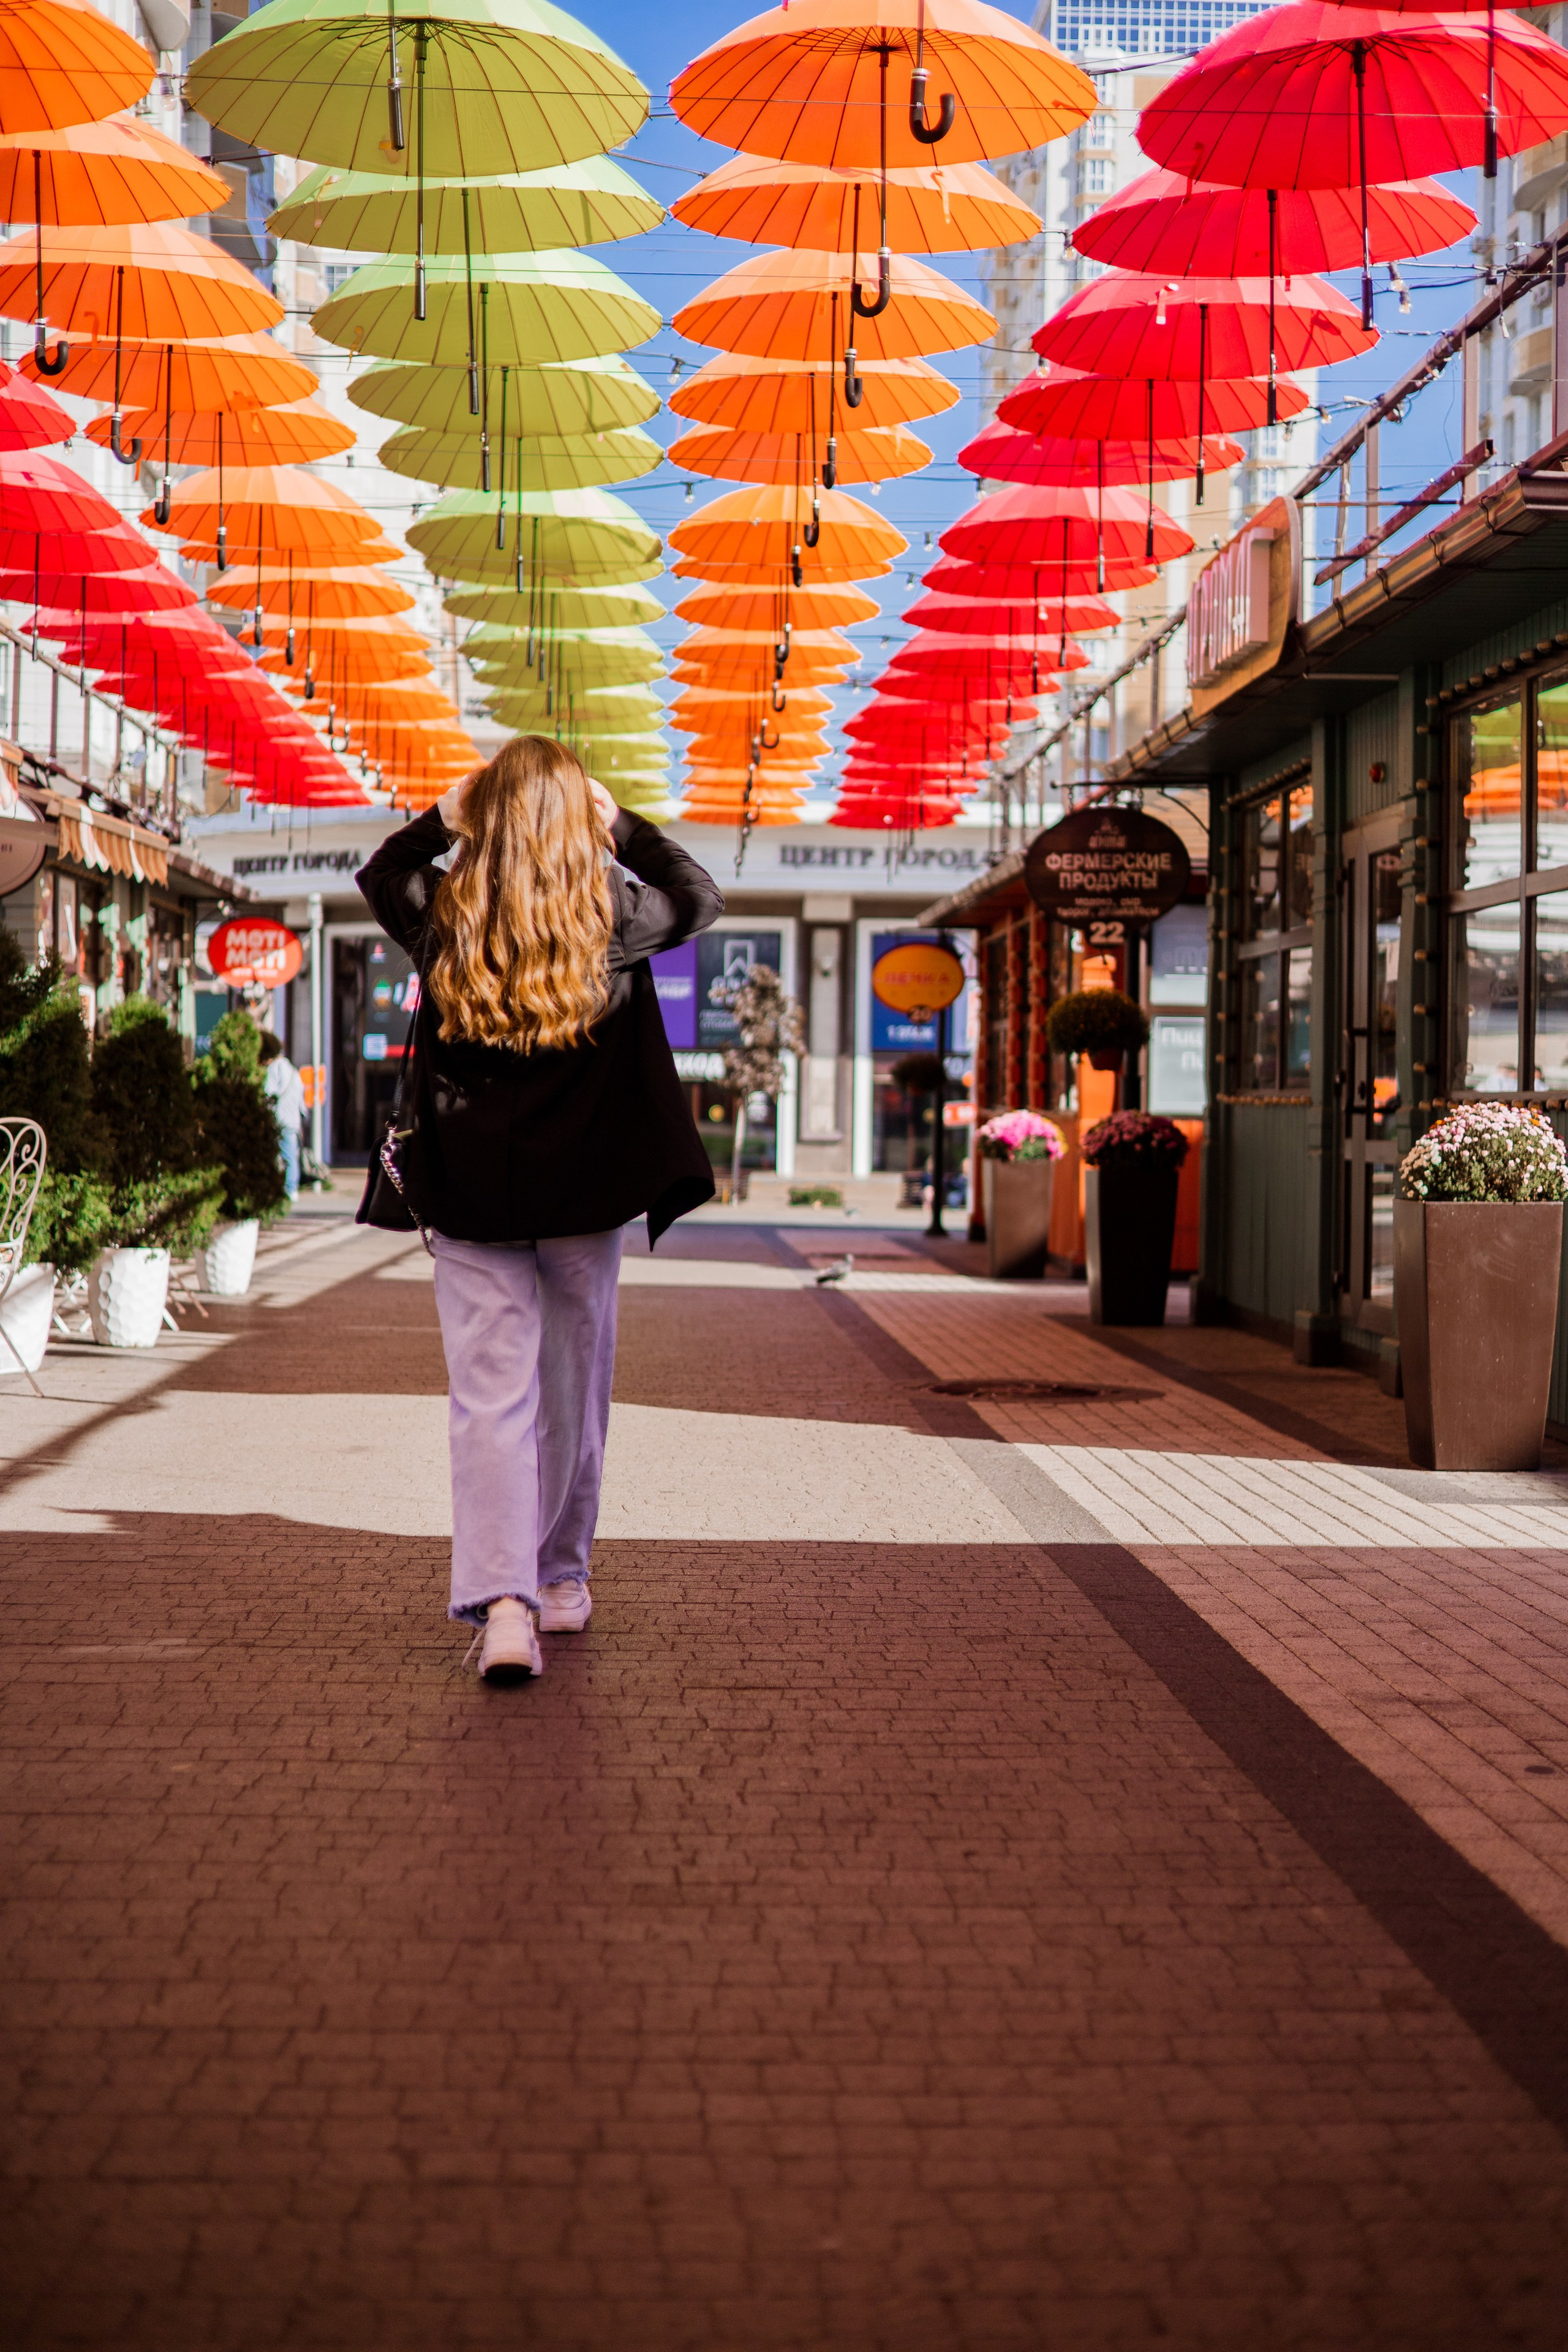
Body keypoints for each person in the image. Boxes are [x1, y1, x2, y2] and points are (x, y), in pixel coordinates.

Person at [355, 736, 723, 1686]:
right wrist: (621, 822)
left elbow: (381, 868)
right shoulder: (612, 915)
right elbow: (700, 891)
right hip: (588, 1198)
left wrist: (447, 815)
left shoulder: (444, 916)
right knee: (572, 1396)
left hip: (470, 1194)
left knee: (488, 1402)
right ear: (576, 823)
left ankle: (504, 1606)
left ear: (487, 819)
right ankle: (559, 1581)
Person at [258, 1031, 305, 1200]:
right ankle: (292, 1188)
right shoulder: (293, 1070)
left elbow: (267, 1093)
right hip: (293, 1121)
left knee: (277, 1155)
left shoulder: (273, 1070)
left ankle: (282, 1189)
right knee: (291, 1155)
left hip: (279, 1120)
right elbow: (301, 1098)